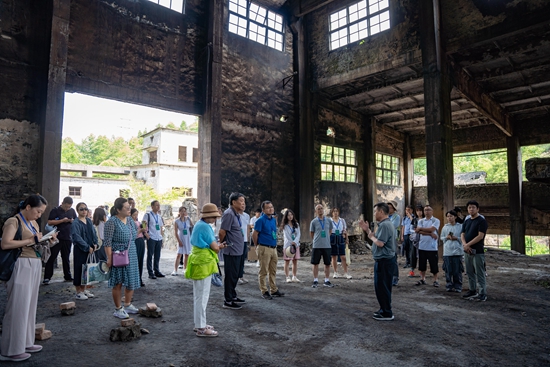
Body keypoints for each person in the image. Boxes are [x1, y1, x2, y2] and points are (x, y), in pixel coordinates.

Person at [1, 195, 51, 362]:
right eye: (38, 211)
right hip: (20, 263)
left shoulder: (34, 223)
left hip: (34, 263)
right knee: (18, 306)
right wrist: (29, 240)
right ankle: (11, 349)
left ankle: (26, 341)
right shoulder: (13, 221)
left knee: (29, 306)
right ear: (28, 207)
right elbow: (5, 243)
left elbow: (34, 242)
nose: (39, 215)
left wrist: (48, 241)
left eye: (41, 212)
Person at [186, 203, 229, 337]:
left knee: (199, 296)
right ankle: (201, 328)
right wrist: (220, 247)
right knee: (202, 297)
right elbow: (215, 248)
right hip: (203, 263)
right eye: (214, 216)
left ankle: (200, 324)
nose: (215, 219)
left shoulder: (199, 224)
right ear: (208, 216)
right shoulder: (205, 227)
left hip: (199, 261)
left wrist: (217, 246)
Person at [359, 202, 397, 321]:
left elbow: (380, 243)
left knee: (383, 287)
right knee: (381, 287)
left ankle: (386, 312)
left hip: (385, 261)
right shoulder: (383, 224)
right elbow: (376, 237)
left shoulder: (385, 225)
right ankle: (384, 309)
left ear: (381, 212)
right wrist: (367, 231)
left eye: (375, 211)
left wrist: (370, 236)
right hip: (383, 261)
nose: (374, 214)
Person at [104, 197, 141, 319]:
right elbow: (107, 242)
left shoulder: (130, 220)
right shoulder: (112, 222)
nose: (129, 209)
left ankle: (127, 304)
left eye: (129, 207)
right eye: (127, 207)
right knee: (118, 282)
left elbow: (134, 235)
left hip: (131, 252)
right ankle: (118, 308)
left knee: (131, 280)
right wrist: (109, 258)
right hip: (118, 254)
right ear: (118, 210)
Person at [219, 193, 247, 308]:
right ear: (233, 202)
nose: (243, 204)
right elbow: (222, 232)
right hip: (231, 250)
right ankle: (228, 300)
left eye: (244, 201)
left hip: (239, 249)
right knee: (231, 275)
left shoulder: (237, 215)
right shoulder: (229, 214)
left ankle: (233, 295)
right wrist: (222, 244)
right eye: (241, 201)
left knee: (236, 274)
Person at [253, 200, 284, 300]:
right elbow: (255, 234)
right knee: (263, 271)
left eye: (272, 207)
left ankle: (273, 289)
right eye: (268, 207)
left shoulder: (273, 219)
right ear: (263, 210)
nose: (271, 209)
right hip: (264, 247)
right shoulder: (260, 220)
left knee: (273, 270)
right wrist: (258, 246)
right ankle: (264, 290)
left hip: (273, 248)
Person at [44, 196, 77, 284]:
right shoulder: (55, 210)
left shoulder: (72, 211)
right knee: (52, 257)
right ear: (62, 203)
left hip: (67, 237)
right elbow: (50, 222)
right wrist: (62, 220)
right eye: (66, 206)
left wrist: (72, 221)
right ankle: (47, 277)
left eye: (69, 207)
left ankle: (67, 276)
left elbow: (76, 221)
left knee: (66, 258)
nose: (67, 209)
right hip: (56, 237)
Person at [461, 200, 489, 301]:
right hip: (467, 250)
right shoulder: (467, 221)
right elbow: (462, 233)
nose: (471, 209)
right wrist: (465, 245)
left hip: (477, 250)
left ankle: (482, 293)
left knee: (479, 272)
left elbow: (480, 236)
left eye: (473, 207)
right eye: (469, 207)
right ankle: (472, 290)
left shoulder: (481, 221)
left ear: (478, 209)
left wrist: (468, 244)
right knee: (469, 272)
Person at [71, 202, 99, 300]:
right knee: (79, 269)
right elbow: (77, 237)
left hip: (90, 249)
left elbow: (94, 233)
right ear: (77, 211)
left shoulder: (89, 221)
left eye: (85, 209)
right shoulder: (76, 223)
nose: (84, 211)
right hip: (80, 250)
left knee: (87, 270)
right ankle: (78, 291)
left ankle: (84, 289)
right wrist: (87, 247)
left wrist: (95, 243)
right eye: (81, 209)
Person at [414, 205, 440, 287]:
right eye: (425, 210)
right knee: (422, 264)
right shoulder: (421, 221)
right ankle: (422, 278)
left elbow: (432, 229)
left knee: (434, 264)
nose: (427, 212)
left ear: (432, 211)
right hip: (422, 245)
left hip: (432, 246)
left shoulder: (435, 220)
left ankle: (435, 280)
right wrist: (430, 234)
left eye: (428, 210)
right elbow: (418, 231)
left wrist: (422, 229)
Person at [309, 204, 334, 288]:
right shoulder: (313, 222)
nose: (320, 210)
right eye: (318, 209)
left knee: (327, 263)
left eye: (321, 208)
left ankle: (327, 280)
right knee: (315, 263)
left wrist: (326, 239)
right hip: (317, 245)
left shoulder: (329, 221)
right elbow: (312, 233)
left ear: (324, 210)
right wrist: (317, 239)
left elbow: (330, 231)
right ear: (316, 211)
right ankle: (315, 280)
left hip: (327, 245)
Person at [440, 210, 463, 292]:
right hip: (447, 251)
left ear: (455, 217)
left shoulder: (460, 226)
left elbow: (463, 238)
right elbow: (441, 237)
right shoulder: (445, 227)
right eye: (448, 216)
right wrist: (447, 237)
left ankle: (458, 286)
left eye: (451, 216)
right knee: (448, 270)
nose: (449, 218)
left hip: (457, 251)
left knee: (457, 270)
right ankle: (449, 284)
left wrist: (456, 238)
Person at [144, 200, 165, 279]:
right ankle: (150, 272)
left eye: (159, 205)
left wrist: (161, 236)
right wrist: (146, 233)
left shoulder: (159, 216)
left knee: (157, 255)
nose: (158, 207)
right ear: (152, 206)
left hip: (158, 238)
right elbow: (144, 223)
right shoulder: (148, 215)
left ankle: (156, 270)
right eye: (156, 205)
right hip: (151, 237)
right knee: (150, 255)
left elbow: (160, 227)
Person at [330, 208, 351, 279]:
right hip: (333, 237)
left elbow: (345, 230)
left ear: (338, 212)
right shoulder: (330, 220)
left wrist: (347, 239)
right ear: (332, 213)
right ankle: (335, 272)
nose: (335, 213)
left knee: (343, 256)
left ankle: (346, 272)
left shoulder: (342, 220)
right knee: (334, 256)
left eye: (336, 211)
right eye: (334, 211)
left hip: (340, 237)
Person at [173, 206, 193, 276]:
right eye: (181, 211)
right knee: (179, 254)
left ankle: (185, 269)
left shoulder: (188, 219)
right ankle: (175, 270)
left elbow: (192, 226)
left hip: (187, 238)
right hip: (181, 237)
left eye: (184, 211)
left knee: (187, 254)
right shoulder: (176, 221)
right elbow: (175, 232)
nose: (183, 212)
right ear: (179, 212)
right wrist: (179, 241)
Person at [282, 209, 301, 283]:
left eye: (291, 215)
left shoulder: (296, 224)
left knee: (295, 261)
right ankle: (287, 277)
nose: (290, 216)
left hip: (296, 245)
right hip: (288, 245)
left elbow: (298, 234)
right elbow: (287, 236)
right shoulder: (285, 226)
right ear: (286, 216)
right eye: (288, 215)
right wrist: (291, 242)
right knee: (287, 261)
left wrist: (295, 242)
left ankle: (294, 276)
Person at [131, 208, 146, 287]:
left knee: (140, 260)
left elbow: (144, 230)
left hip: (141, 240)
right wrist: (140, 231)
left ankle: (139, 278)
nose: (135, 216)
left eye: (136, 215)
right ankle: (134, 279)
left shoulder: (138, 222)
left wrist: (144, 226)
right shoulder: (130, 222)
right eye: (134, 215)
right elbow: (132, 234)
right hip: (135, 241)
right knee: (135, 260)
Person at [387, 201, 401, 286]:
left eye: (390, 207)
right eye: (387, 207)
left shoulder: (397, 217)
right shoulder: (385, 216)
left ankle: (395, 277)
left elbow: (392, 226)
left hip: (393, 239)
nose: (389, 209)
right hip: (385, 239)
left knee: (393, 258)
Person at [408, 205, 424, 278]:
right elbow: (411, 228)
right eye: (417, 211)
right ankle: (412, 270)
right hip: (415, 239)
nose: (419, 212)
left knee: (421, 256)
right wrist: (415, 231)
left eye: (420, 210)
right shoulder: (414, 220)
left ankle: (421, 271)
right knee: (413, 255)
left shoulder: (425, 220)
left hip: (423, 239)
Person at [238, 204, 250, 284]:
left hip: (245, 240)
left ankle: (241, 276)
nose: (243, 206)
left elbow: (248, 227)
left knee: (242, 259)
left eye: (244, 204)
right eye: (241, 204)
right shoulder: (235, 215)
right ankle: (237, 276)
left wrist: (248, 238)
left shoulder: (247, 215)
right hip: (238, 240)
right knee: (237, 259)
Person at [400, 205, 415, 269]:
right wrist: (402, 235)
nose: (407, 211)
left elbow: (413, 223)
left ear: (412, 210)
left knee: (412, 249)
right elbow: (403, 227)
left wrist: (410, 216)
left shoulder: (414, 217)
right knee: (406, 249)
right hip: (406, 234)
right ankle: (407, 262)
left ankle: (412, 263)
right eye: (406, 210)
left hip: (412, 235)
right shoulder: (404, 218)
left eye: (409, 210)